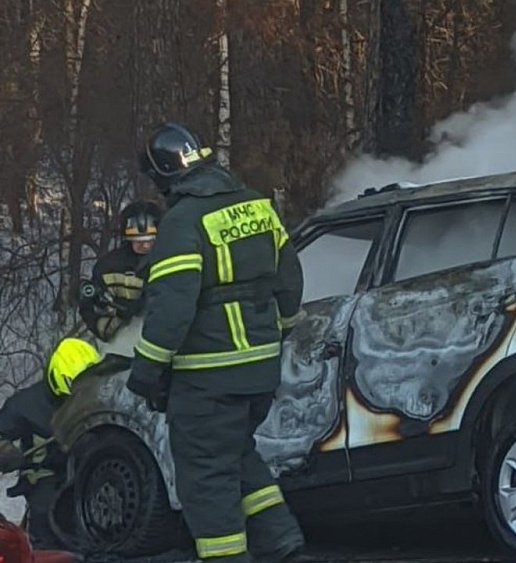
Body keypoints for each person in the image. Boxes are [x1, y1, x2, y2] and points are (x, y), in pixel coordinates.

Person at [125, 122, 312, 563]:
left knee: (206, 476)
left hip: (208, 378)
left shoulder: (182, 222)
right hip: (260, 373)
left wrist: (146, 371)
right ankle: (282, 544)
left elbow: (173, 308)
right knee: (236, 454)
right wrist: (279, 329)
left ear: (165, 175)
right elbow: (290, 281)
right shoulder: (257, 207)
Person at [0, 338, 101, 549]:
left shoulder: (100, 397)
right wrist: (6, 451)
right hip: (45, 475)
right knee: (47, 515)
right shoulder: (24, 405)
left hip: (91, 469)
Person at [78, 200, 162, 342]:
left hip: (167, 342)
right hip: (123, 345)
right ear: (127, 238)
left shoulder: (172, 261)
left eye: (151, 240)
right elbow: (90, 308)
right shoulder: (109, 267)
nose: (146, 245)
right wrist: (115, 322)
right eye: (139, 241)